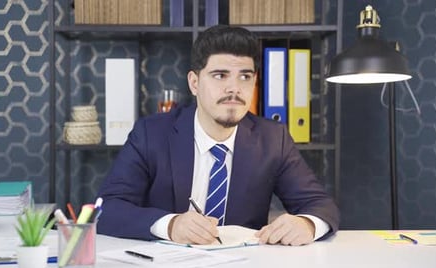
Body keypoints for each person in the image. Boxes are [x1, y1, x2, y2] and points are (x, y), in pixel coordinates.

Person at [97, 25, 339, 246]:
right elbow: (107, 209)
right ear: (194, 83)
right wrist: (170, 225)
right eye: (220, 75)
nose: (234, 88)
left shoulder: (273, 138)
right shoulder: (151, 133)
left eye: (245, 76)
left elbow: (320, 205)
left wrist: (307, 224)